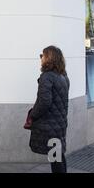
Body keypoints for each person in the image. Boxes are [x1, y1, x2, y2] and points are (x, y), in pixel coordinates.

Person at [29, 45, 70, 173]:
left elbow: (44, 103)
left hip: (50, 125)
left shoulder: (47, 77)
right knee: (58, 157)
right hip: (59, 124)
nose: (40, 58)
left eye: (42, 56)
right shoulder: (63, 76)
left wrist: (33, 115)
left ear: (49, 59)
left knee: (56, 159)